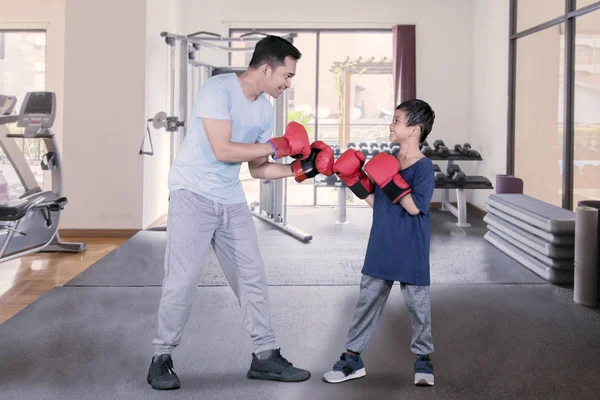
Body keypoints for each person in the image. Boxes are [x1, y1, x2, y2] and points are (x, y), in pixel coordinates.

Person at [147, 35, 334, 390]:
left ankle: (265, 356)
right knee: (182, 281)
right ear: (266, 68)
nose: (288, 84)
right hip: (192, 194)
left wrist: (302, 170)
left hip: (230, 198)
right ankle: (161, 357)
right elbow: (222, 149)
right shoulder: (218, 90)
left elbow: (259, 167)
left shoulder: (264, 108)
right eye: (287, 76)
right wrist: (276, 145)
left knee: (252, 277)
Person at [322, 99, 436, 387]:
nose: (391, 125)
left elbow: (413, 207)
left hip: (411, 250)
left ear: (415, 130)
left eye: (397, 120)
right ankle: (352, 358)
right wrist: (354, 180)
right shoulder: (386, 160)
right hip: (382, 246)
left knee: (418, 309)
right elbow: (378, 203)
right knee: (366, 304)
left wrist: (388, 177)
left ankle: (423, 359)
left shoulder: (424, 168)